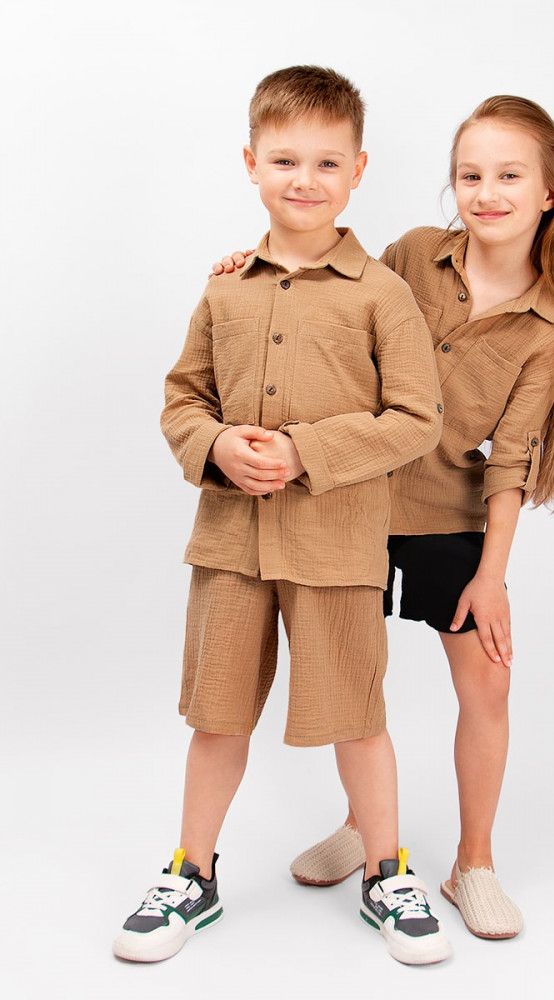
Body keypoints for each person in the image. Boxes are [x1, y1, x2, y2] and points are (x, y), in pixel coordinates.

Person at [210, 95, 554, 941]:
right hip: (348, 494)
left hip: (446, 508)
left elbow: (513, 458)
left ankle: (473, 864)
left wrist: (492, 576)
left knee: (488, 682)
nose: (486, 193)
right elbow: (335, 306)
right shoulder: (415, 253)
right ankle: (364, 827)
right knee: (353, 675)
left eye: (508, 176)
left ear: (548, 192)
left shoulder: (546, 324)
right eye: (470, 175)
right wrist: (255, 270)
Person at [113, 65, 452, 967]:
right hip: (230, 546)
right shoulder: (225, 288)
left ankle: (387, 872)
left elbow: (417, 419)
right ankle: (191, 873)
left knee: (357, 715)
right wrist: (216, 444)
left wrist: (306, 451)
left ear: (359, 170)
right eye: (286, 160)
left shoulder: (381, 294)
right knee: (217, 717)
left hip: (338, 550)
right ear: (251, 163)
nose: (306, 179)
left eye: (328, 162)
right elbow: (183, 398)